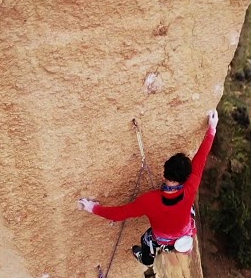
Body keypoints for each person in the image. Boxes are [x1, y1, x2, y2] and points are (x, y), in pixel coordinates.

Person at [80, 110, 218, 266]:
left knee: (147, 239)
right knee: (188, 210)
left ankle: (147, 258)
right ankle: (172, 250)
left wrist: (93, 208)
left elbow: (120, 214)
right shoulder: (190, 187)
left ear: (165, 172)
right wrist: (212, 129)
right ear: (186, 177)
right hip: (183, 232)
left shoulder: (149, 201)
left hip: (163, 237)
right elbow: (200, 160)